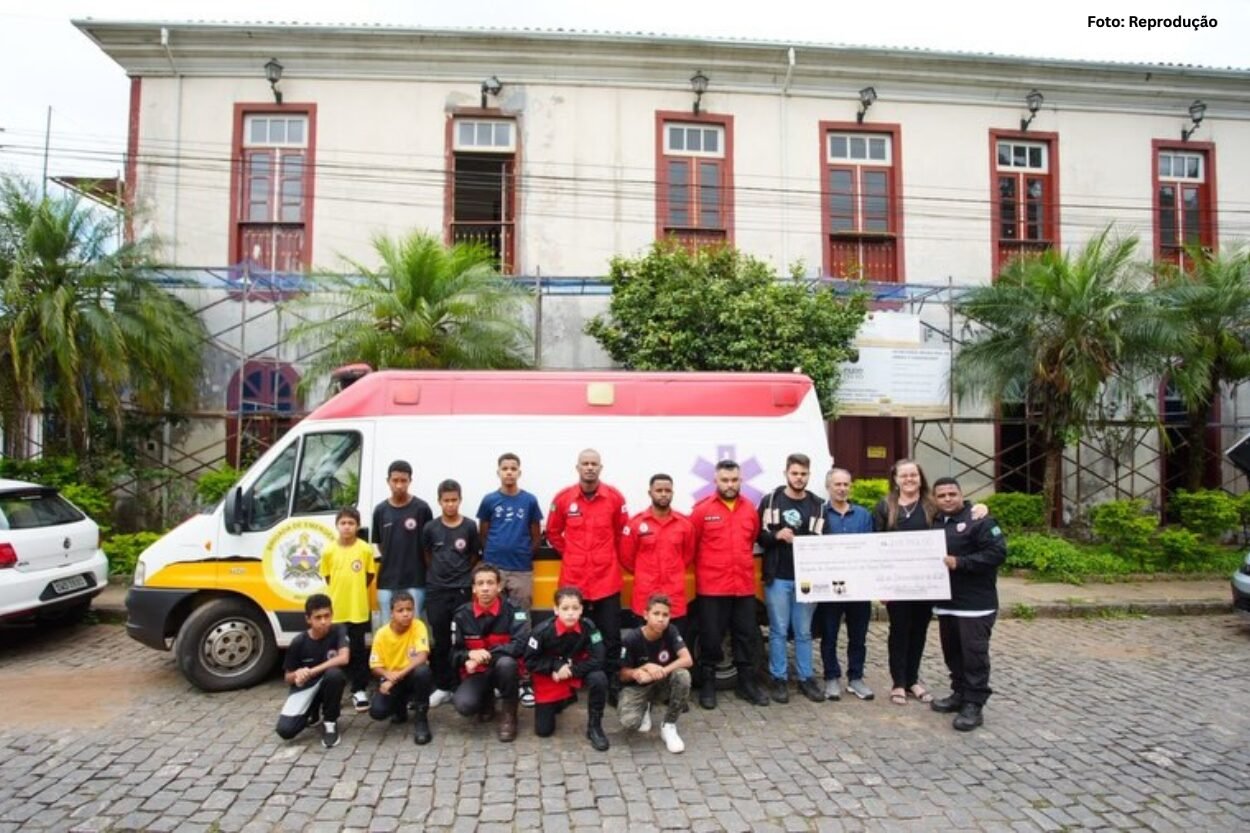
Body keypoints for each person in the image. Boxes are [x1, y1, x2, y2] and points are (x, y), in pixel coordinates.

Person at [545, 449, 628, 700]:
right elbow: (553, 532)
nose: (589, 467)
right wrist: (572, 553)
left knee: (611, 636)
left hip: (606, 580)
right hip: (574, 581)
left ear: (600, 468)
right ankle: (570, 684)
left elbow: (620, 532)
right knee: (570, 635)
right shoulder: (563, 499)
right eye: (585, 463)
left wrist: (603, 555)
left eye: (594, 464)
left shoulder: (614, 498)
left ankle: (611, 682)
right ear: (578, 467)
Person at [690, 459, 769, 709]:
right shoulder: (702, 510)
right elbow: (691, 546)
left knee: (745, 636)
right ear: (716, 481)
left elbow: (752, 538)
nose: (730, 484)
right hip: (713, 586)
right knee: (711, 637)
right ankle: (708, 685)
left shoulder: (749, 510)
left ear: (741, 480)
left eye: (734, 480)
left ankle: (747, 684)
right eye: (725, 480)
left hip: (743, 585)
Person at [930, 477, 1007, 732]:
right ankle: (959, 693)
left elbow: (997, 553)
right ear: (935, 499)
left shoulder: (980, 520)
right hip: (947, 603)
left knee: (974, 655)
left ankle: (974, 704)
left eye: (952, 494)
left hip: (975, 605)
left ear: (961, 494)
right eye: (941, 496)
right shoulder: (936, 522)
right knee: (953, 653)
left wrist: (961, 563)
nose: (947, 499)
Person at [757, 453, 826, 704]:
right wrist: (776, 536)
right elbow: (758, 536)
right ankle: (779, 678)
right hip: (778, 576)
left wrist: (804, 541)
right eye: (795, 473)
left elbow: (823, 540)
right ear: (786, 473)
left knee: (804, 631)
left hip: (806, 578)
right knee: (778, 630)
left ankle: (806, 678)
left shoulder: (818, 504)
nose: (799, 478)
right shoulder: (771, 501)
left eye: (803, 474)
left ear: (809, 475)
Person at [476, 452, 543, 707]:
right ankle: (495, 676)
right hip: (495, 569)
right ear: (498, 472)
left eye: (513, 468)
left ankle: (524, 679)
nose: (509, 472)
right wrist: (493, 556)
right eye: (505, 468)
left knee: (522, 623)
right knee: (494, 622)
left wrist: (524, 553)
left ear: (519, 472)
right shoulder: (489, 500)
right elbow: (483, 532)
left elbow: (536, 534)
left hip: (521, 570)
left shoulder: (529, 500)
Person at [449, 563, 529, 742]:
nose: (485, 588)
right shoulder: (461, 615)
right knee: (464, 705)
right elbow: (453, 654)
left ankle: (509, 714)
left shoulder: (515, 611)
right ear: (474, 588)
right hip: (478, 673)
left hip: (504, 671)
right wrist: (468, 655)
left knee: (507, 664)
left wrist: (484, 654)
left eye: (490, 583)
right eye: (480, 583)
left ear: (499, 586)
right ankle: (487, 700)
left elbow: (521, 646)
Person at [525, 586, 611, 751]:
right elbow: (530, 661)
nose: (570, 613)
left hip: (577, 670)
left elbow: (599, 657)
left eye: (575, 608)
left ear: (581, 610)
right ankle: (563, 699)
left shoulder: (589, 627)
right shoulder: (541, 631)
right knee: (544, 731)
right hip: (551, 675)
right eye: (565, 608)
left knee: (599, 678)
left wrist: (572, 671)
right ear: (556, 610)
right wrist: (555, 666)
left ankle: (595, 726)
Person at [818, 467, 876, 702]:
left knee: (858, 636)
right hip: (830, 587)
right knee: (829, 634)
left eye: (845, 484)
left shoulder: (863, 515)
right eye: (837, 484)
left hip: (859, 586)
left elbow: (871, 547)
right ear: (828, 487)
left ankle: (856, 678)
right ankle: (831, 677)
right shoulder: (819, 514)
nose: (842, 489)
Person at [423, 479, 481, 709]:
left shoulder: (469, 526)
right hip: (437, 590)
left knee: (462, 638)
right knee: (441, 640)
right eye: (446, 500)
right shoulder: (430, 528)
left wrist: (461, 574)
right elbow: (427, 555)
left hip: (462, 589)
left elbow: (474, 555)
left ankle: (462, 683)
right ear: (439, 501)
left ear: (460, 500)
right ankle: (443, 686)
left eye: (454, 500)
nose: (450, 504)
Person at [619, 474, 696, 642]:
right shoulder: (635, 523)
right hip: (645, 598)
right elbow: (626, 558)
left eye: (667, 490)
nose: (663, 494)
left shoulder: (684, 524)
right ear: (650, 493)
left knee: (675, 646)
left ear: (672, 493)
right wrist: (645, 573)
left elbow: (688, 556)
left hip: (674, 597)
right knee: (643, 648)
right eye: (659, 490)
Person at [618, 594, 694, 754]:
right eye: (656, 614)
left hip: (661, 681)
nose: (661, 619)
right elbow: (622, 674)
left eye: (665, 615)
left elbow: (687, 659)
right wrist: (640, 670)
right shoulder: (631, 638)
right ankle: (645, 706)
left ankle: (669, 725)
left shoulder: (671, 631)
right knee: (629, 722)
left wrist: (661, 671)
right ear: (646, 615)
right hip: (639, 685)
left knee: (682, 675)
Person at [318, 506, 376, 713]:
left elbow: (369, 576)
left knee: (358, 652)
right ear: (337, 525)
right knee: (335, 653)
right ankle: (334, 689)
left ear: (357, 526)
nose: (347, 527)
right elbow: (328, 577)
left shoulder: (365, 549)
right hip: (336, 612)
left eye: (351, 523)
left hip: (357, 610)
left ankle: (359, 689)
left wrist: (355, 591)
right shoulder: (329, 551)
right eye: (343, 523)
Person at [275, 593, 349, 748]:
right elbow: (288, 677)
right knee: (285, 730)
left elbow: (344, 658)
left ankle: (330, 722)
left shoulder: (339, 630)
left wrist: (311, 671)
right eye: (318, 617)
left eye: (327, 616)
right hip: (306, 687)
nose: (323, 621)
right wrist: (298, 674)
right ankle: (312, 712)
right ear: (308, 619)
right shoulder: (298, 642)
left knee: (334, 675)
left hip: (327, 681)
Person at [368, 590, 435, 744]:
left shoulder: (418, 626)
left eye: (409, 609)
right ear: (391, 613)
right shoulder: (381, 634)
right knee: (377, 712)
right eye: (400, 610)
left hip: (410, 676)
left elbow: (422, 656)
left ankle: (421, 718)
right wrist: (387, 675)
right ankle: (399, 708)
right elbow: (375, 666)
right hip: (392, 679)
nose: (406, 614)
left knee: (423, 671)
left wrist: (397, 676)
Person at [372, 460, 433, 621]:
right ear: (388, 481)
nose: (399, 485)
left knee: (413, 624)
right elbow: (380, 544)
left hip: (415, 580)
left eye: (403, 480)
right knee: (387, 626)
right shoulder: (380, 510)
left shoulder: (422, 509)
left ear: (410, 481)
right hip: (387, 581)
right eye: (395, 480)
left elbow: (428, 546)